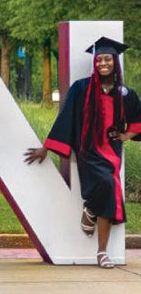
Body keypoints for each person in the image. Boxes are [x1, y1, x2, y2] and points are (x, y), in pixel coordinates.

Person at [24, 37, 137, 269]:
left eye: (107, 59)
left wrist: (126, 135)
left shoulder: (124, 93)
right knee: (106, 186)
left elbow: (138, 119)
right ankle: (92, 212)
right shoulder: (82, 88)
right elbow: (66, 118)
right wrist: (46, 148)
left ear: (115, 62)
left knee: (107, 186)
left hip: (112, 150)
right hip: (89, 149)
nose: (103, 63)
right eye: (99, 59)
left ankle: (101, 247)